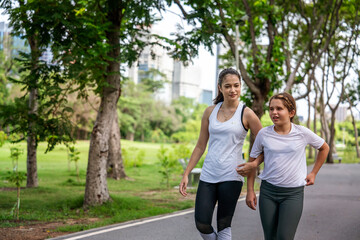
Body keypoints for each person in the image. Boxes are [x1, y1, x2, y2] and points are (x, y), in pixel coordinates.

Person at [179, 68, 262, 240]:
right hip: (208, 174)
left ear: (241, 87)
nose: (233, 90)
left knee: (224, 226)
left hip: (232, 176)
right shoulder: (210, 112)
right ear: (220, 88)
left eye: (236, 86)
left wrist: (253, 164)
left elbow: (266, 145)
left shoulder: (247, 113)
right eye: (228, 86)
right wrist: (186, 173)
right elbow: (200, 146)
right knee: (201, 222)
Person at [237, 92, 329, 240]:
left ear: (291, 112)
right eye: (271, 109)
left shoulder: (302, 133)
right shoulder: (263, 134)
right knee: (270, 237)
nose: (274, 112)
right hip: (268, 192)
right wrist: (250, 191)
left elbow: (324, 148)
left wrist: (313, 173)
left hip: (292, 194)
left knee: (285, 237)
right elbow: (251, 164)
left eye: (279, 109)